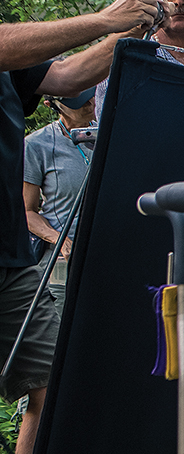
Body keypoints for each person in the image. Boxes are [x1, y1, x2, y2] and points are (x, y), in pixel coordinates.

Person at [0, 0, 164, 454]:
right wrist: (101, 16)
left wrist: (125, 32)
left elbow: (66, 79)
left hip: (12, 263)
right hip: (25, 252)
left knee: (56, 386)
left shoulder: (13, 61)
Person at [23, 87, 96, 315]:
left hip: (104, 255)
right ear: (52, 106)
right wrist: (59, 239)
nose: (89, 104)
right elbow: (26, 212)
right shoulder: (37, 145)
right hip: (64, 261)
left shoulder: (108, 134)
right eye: (78, 102)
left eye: (90, 96)